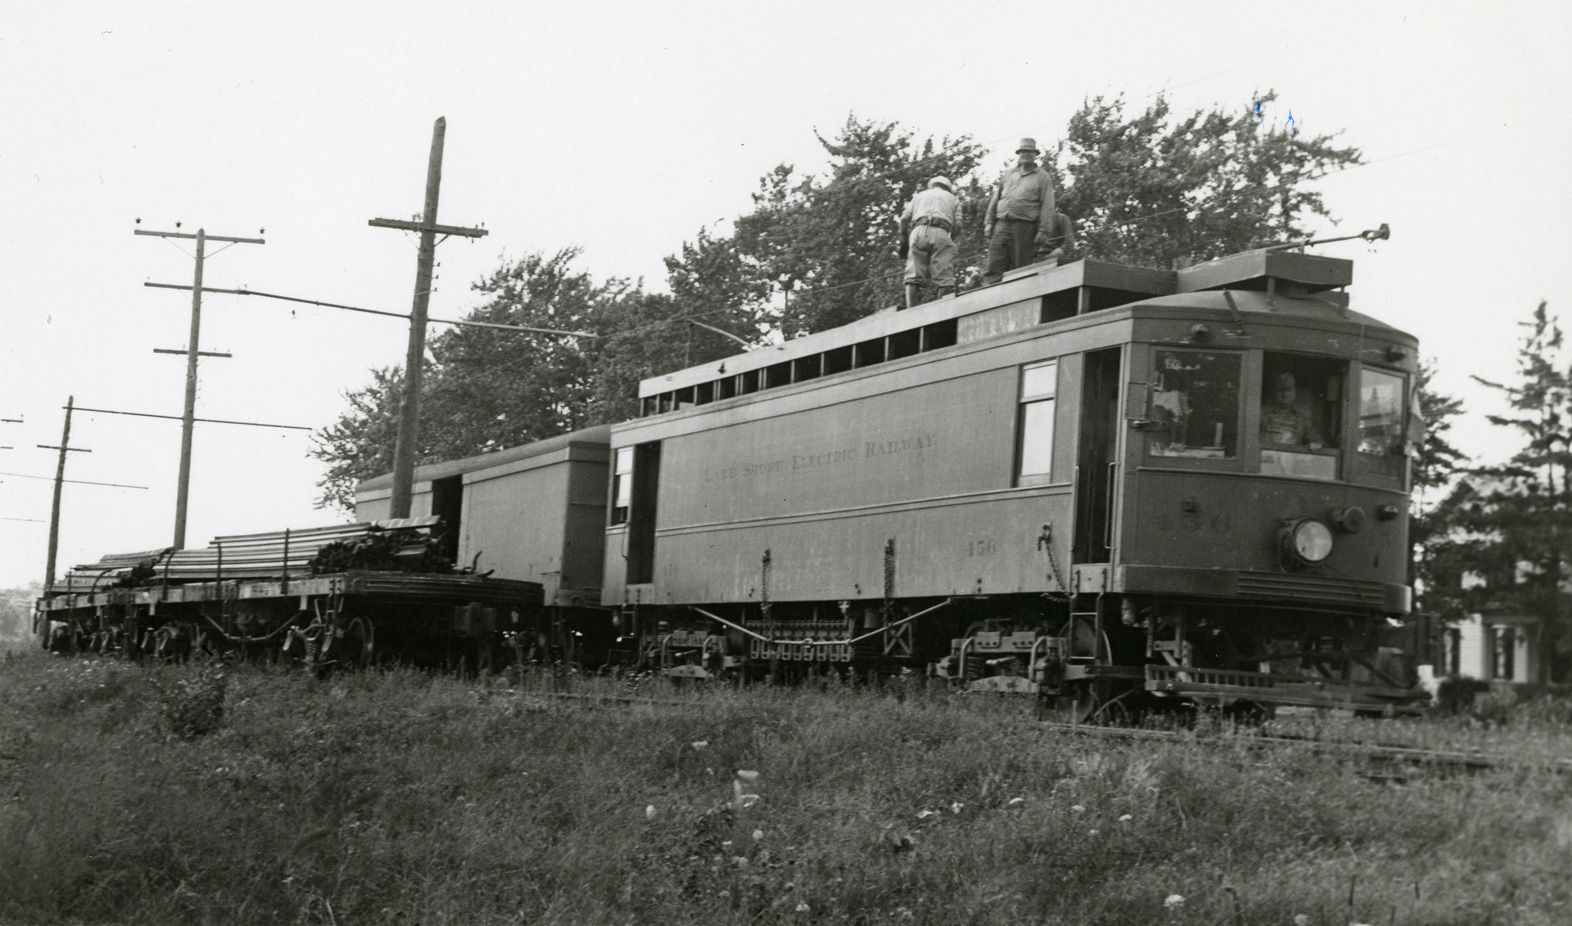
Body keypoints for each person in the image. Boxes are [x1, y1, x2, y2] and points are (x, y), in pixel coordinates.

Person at [982, 138, 1056, 285]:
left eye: (1029, 152)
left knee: (1021, 268)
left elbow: (1048, 205)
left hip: (1024, 227)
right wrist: (989, 222)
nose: (1025, 154)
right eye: (1023, 151)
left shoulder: (1043, 177)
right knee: (993, 265)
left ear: (1035, 155)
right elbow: (995, 199)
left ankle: (1019, 301)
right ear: (1019, 154)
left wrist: (1043, 230)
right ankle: (989, 299)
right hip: (1001, 225)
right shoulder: (1009, 174)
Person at [898, 176, 962, 309]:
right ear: (948, 188)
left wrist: (904, 239)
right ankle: (941, 313)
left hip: (919, 230)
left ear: (932, 185)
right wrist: (949, 239)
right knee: (945, 277)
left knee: (912, 275)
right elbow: (958, 225)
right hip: (942, 231)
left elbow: (904, 219)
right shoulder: (953, 199)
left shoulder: (919, 196)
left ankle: (912, 312)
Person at [1260, 372, 1324, 449]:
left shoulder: (1303, 420)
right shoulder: (1261, 414)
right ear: (1274, 393)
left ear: (1294, 393)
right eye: (1280, 390)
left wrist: (1316, 445)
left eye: (1289, 390)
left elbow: (1317, 442)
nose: (1285, 394)